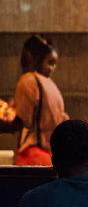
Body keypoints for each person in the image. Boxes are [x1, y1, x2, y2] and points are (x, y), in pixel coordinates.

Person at [0, 34, 68, 165]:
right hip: (50, 156)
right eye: (50, 63)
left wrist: (5, 115)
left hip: (32, 156)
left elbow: (21, 121)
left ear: (34, 57)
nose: (52, 68)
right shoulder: (51, 85)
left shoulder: (28, 81)